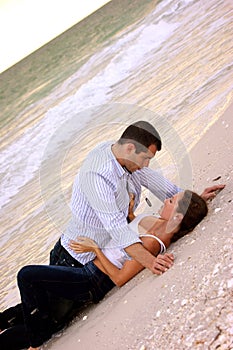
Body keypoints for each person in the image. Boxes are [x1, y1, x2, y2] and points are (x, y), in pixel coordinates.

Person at [0, 190, 208, 350]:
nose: (165, 199)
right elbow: (128, 241)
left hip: (91, 280)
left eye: (171, 201)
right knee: (29, 309)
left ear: (178, 217)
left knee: (26, 275)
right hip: (89, 270)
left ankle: (37, 342)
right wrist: (129, 214)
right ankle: (40, 328)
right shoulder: (160, 223)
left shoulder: (154, 243)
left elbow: (119, 278)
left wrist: (95, 249)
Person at [50, 120, 224, 274]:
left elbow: (164, 189)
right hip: (75, 258)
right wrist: (151, 262)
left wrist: (193, 205)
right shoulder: (98, 176)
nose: (146, 165)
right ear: (130, 149)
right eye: (145, 158)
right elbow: (117, 230)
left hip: (103, 258)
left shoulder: (126, 159)